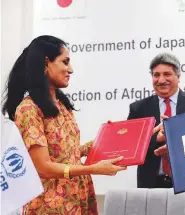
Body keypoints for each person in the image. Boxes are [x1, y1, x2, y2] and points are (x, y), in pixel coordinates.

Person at [1, 35, 128, 215]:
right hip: (51, 205)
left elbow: (67, 153)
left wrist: (106, 138)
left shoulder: (61, 105)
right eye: (65, 62)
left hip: (78, 198)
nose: (71, 69)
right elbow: (43, 167)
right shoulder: (29, 109)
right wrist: (92, 169)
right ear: (46, 63)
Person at [127, 53, 185, 215]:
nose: (161, 80)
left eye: (167, 74)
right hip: (152, 189)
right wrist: (156, 138)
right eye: (156, 75)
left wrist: (175, 145)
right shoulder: (138, 109)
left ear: (178, 76)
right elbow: (132, 148)